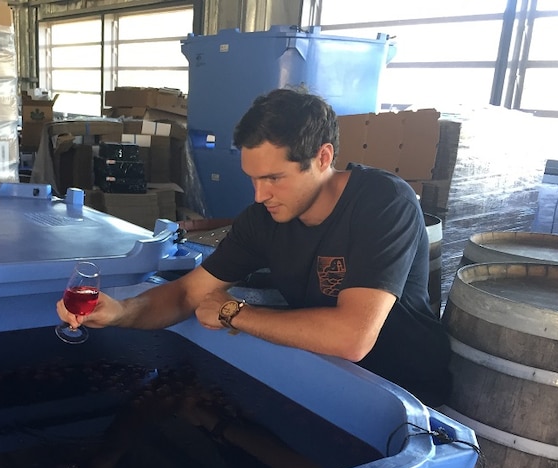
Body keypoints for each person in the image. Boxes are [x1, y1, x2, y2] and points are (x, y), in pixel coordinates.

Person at [57, 88, 452, 406]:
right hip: (324, 379)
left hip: (404, 392)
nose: (260, 194)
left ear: (323, 157)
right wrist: (121, 311)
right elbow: (185, 294)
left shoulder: (383, 202)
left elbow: (352, 337)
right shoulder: (263, 220)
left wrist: (234, 312)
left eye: (274, 178)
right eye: (252, 178)